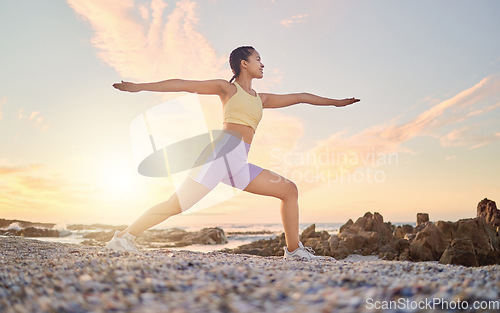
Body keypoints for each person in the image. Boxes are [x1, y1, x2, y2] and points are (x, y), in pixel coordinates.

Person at [106, 46, 360, 260]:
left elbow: (300, 97)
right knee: (175, 205)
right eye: (258, 59)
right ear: (243, 63)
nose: (263, 64)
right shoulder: (227, 89)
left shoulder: (262, 98)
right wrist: (139, 87)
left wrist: (336, 103)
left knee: (288, 190)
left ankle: (293, 251)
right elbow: (184, 84)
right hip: (220, 155)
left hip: (239, 162)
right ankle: (123, 237)